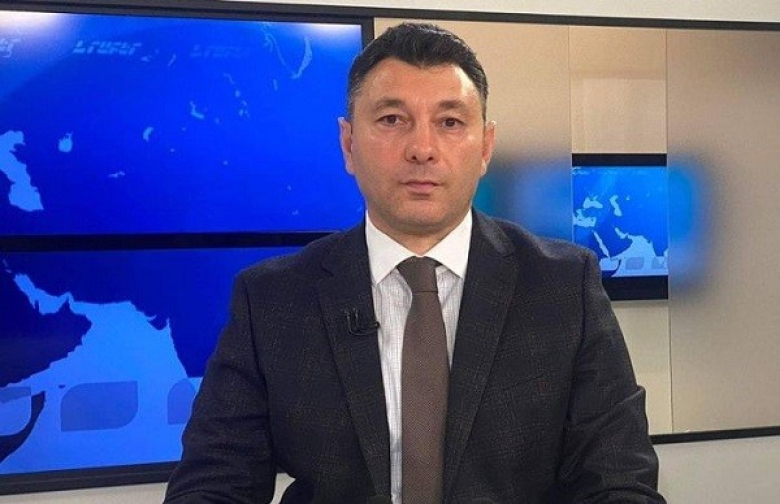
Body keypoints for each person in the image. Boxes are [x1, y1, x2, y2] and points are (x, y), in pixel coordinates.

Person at [164, 22, 664, 503]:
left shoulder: (563, 286)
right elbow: (213, 484)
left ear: (485, 147)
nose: (422, 149)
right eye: (392, 120)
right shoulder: (273, 300)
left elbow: (619, 482)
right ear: (348, 144)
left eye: (450, 122)